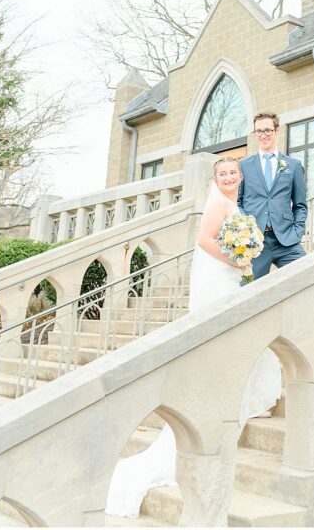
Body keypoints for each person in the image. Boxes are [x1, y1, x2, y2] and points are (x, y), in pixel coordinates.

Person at [105, 157, 282, 519]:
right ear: (216, 178)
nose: (229, 177)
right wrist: (237, 260)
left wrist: (244, 258)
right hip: (220, 280)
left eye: (233, 173)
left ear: (240, 176)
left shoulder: (233, 204)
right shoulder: (218, 203)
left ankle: (241, 399)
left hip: (230, 277)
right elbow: (204, 240)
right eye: (223, 173)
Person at [238, 112, 308, 280]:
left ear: (277, 131)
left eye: (268, 130)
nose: (263, 135)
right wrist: (247, 229)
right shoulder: (243, 166)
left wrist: (297, 231)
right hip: (255, 243)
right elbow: (237, 202)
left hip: (286, 240)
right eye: (259, 131)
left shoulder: (293, 165)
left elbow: (300, 205)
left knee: (308, 276)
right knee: (248, 289)